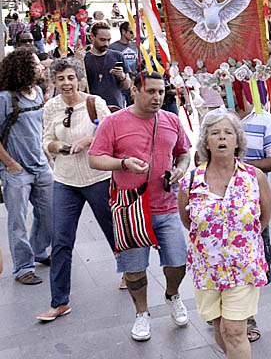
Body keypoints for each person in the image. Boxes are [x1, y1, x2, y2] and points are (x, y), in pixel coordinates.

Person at [88, 71, 192, 342]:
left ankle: (173, 295)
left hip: (167, 205)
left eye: (161, 92)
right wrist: (124, 163)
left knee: (178, 261)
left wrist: (180, 170)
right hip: (131, 207)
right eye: (151, 91)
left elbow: (183, 153)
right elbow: (95, 159)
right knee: (134, 268)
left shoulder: (171, 120)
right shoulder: (113, 122)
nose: (157, 97)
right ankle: (142, 313)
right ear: (135, 90)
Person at [178, 111, 271, 359]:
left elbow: (263, 219)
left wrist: (238, 243)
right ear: (206, 141)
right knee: (220, 329)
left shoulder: (254, 177)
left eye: (228, 133)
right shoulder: (190, 181)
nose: (222, 138)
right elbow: (188, 222)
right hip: (207, 267)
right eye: (215, 133)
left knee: (235, 329)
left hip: (243, 265)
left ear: (237, 141)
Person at [35, 58, 114, 321]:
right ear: (54, 82)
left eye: (70, 78)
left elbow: (111, 135)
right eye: (60, 79)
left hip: (98, 176)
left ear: (78, 78)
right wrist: (56, 148)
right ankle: (60, 302)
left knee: (112, 231)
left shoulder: (95, 103)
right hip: (65, 180)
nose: (66, 83)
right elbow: (46, 140)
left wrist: (89, 139)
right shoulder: (51, 107)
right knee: (61, 240)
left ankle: (131, 271)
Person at [0, 48, 53, 285]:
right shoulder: (5, 99)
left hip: (41, 166)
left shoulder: (39, 92)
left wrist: (48, 158)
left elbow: (39, 128)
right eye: (35, 64)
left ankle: (39, 251)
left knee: (50, 212)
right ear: (22, 68)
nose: (41, 66)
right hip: (16, 170)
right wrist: (11, 165)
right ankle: (23, 267)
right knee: (18, 220)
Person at [235, 97, 271, 342]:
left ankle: (246, 314)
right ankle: (233, 314)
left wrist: (239, 167)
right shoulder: (216, 117)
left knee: (254, 263)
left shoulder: (264, 119)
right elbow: (202, 160)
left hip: (251, 204)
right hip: (218, 208)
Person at [82, 21, 131, 111]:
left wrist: (122, 76)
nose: (106, 44)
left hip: (115, 108)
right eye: (102, 40)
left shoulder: (118, 56)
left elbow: (127, 86)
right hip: (92, 109)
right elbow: (81, 87)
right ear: (92, 37)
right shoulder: (84, 58)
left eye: (108, 40)